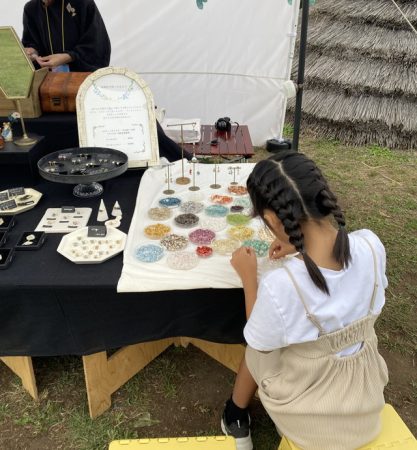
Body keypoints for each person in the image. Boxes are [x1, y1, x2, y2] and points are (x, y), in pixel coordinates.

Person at [221, 151, 388, 450]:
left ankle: (234, 415)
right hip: (366, 402)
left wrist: (248, 277)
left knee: (256, 351)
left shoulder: (282, 285)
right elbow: (339, 286)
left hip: (314, 421)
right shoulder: (371, 246)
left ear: (272, 219)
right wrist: (297, 245)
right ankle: (237, 415)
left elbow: (260, 339)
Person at [22, 0, 111, 72]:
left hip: (83, 77)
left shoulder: (82, 2)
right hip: (49, 81)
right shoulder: (31, 9)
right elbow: (31, 42)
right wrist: (32, 52)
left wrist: (68, 57)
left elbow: (98, 44)